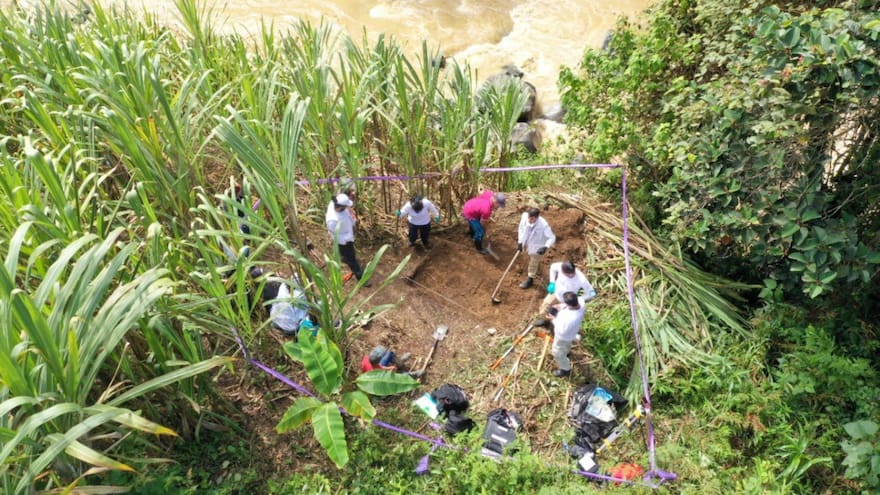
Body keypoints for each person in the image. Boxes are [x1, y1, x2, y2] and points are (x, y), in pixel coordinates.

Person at [325, 193, 371, 287]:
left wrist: (351, 214)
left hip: (347, 236)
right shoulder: (332, 220)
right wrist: (349, 238)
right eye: (346, 206)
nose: (347, 208)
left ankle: (344, 258)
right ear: (341, 207)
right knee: (352, 259)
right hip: (344, 241)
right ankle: (361, 278)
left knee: (345, 255)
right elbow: (336, 235)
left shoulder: (334, 203)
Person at [546, 291, 586, 377]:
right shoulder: (581, 302)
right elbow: (578, 297)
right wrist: (560, 306)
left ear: (570, 305)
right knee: (567, 345)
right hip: (572, 333)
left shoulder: (570, 318)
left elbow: (562, 331)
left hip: (563, 337)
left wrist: (553, 319)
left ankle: (565, 369)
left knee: (556, 352)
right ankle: (567, 352)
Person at [517, 208, 556, 289]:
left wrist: (545, 247)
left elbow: (552, 237)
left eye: (532, 219)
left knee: (534, 260)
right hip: (527, 241)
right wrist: (520, 242)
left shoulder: (543, 225)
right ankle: (534, 268)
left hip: (538, 246)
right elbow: (521, 229)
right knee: (530, 255)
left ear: (537, 217)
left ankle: (530, 279)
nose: (529, 220)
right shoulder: (524, 217)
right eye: (529, 217)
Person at [461, 190, 506, 254]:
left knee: (476, 223)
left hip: (470, 204)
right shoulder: (487, 209)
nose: (498, 207)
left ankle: (471, 232)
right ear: (495, 201)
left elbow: (481, 192)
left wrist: (479, 204)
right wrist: (484, 229)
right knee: (480, 231)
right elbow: (482, 223)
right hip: (469, 212)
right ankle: (479, 248)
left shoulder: (490, 194)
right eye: (498, 205)